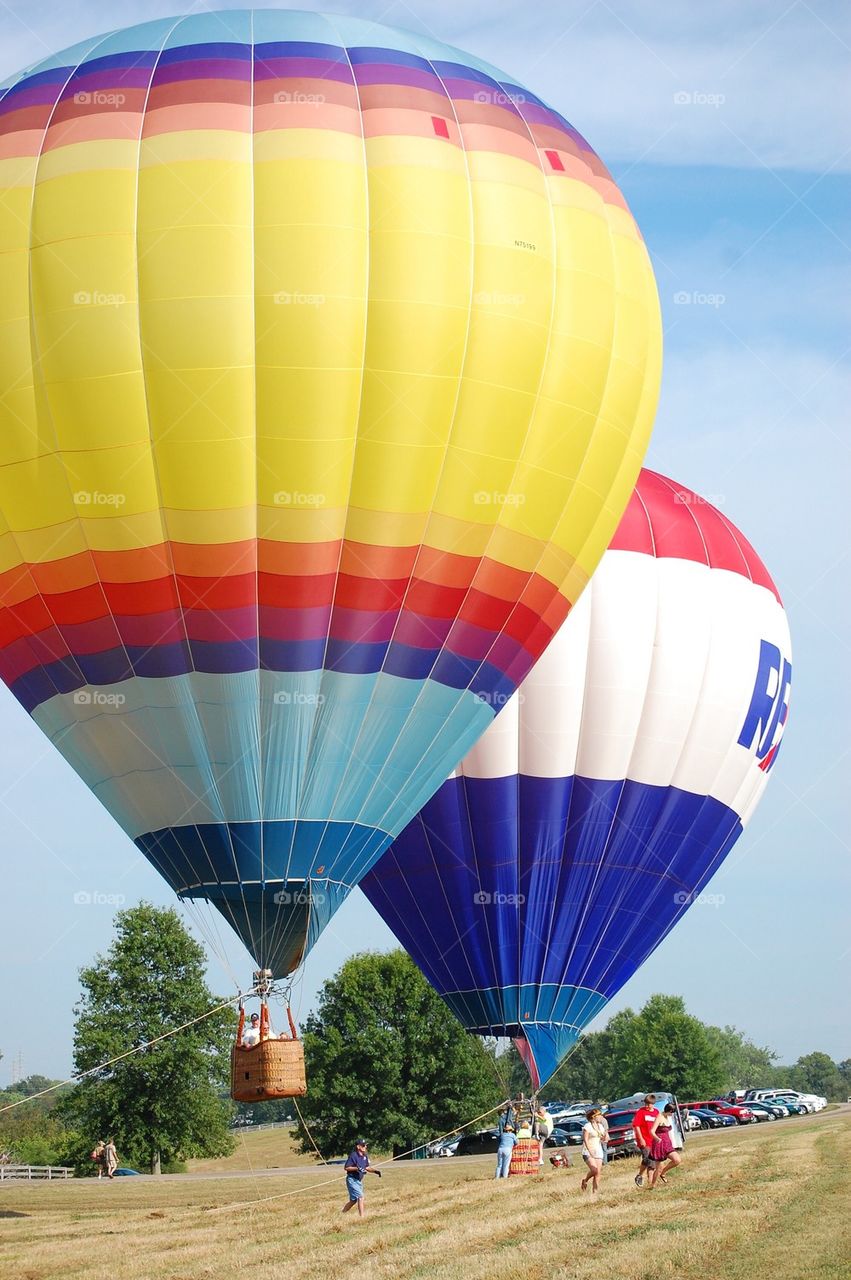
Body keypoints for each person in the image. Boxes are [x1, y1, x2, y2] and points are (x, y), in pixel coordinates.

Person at [342, 1138, 381, 1218]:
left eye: (366, 1145)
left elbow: (367, 1167)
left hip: (358, 1181)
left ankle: (342, 1213)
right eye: (363, 1145)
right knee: (360, 1197)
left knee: (353, 1201)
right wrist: (357, 1168)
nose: (365, 1147)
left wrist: (375, 1171)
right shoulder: (353, 1155)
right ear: (358, 1147)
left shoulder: (364, 1156)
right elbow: (346, 1168)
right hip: (352, 1180)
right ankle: (362, 1217)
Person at [648, 1105, 682, 1186]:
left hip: (667, 1144)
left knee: (677, 1160)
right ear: (669, 1111)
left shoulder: (666, 1117)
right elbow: (652, 1131)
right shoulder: (659, 1117)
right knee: (658, 1167)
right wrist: (657, 1138)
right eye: (672, 1112)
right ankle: (652, 1185)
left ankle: (663, 1173)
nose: (672, 1114)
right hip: (659, 1144)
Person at [633, 1093, 660, 1187]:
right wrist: (640, 1139)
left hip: (653, 1140)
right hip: (644, 1139)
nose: (647, 1106)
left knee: (648, 1160)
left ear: (653, 1104)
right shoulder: (641, 1112)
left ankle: (640, 1175)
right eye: (646, 1104)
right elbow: (636, 1126)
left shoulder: (656, 1112)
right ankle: (650, 1182)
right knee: (649, 1160)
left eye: (649, 1104)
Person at [580, 1108, 605, 1193]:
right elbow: (585, 1139)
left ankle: (595, 1192)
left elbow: (602, 1137)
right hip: (588, 1150)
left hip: (598, 1150)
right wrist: (589, 1150)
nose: (601, 1117)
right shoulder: (587, 1126)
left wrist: (605, 1138)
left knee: (598, 1172)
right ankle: (585, 1180)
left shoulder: (600, 1126)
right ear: (593, 1117)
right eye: (599, 1115)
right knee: (594, 1170)